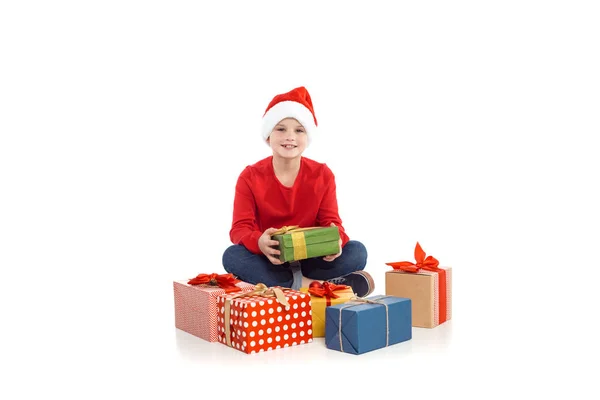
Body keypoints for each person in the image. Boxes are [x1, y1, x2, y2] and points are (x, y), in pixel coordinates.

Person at [221, 86, 373, 297]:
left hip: (313, 258)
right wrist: (259, 242)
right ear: (268, 136)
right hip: (271, 259)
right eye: (281, 129)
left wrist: (336, 240)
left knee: (356, 251)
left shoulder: (322, 174)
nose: (289, 137)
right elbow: (239, 229)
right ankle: (316, 286)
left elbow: (332, 222)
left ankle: (290, 286)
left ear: (307, 136)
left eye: (299, 130)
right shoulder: (250, 176)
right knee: (232, 256)